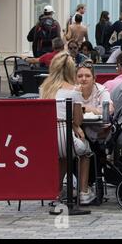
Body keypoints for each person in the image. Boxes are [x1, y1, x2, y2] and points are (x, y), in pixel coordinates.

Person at [40, 52, 96, 205]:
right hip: (66, 137)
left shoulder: (44, 90)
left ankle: (56, 191)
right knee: (86, 151)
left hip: (49, 139)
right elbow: (77, 119)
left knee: (64, 156)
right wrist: (76, 126)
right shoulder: (74, 91)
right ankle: (84, 191)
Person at [75, 60, 113, 142]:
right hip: (77, 130)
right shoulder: (73, 91)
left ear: (94, 79)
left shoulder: (101, 90)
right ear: (75, 79)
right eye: (80, 76)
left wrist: (85, 108)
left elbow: (108, 110)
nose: (83, 79)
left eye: (88, 76)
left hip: (99, 133)